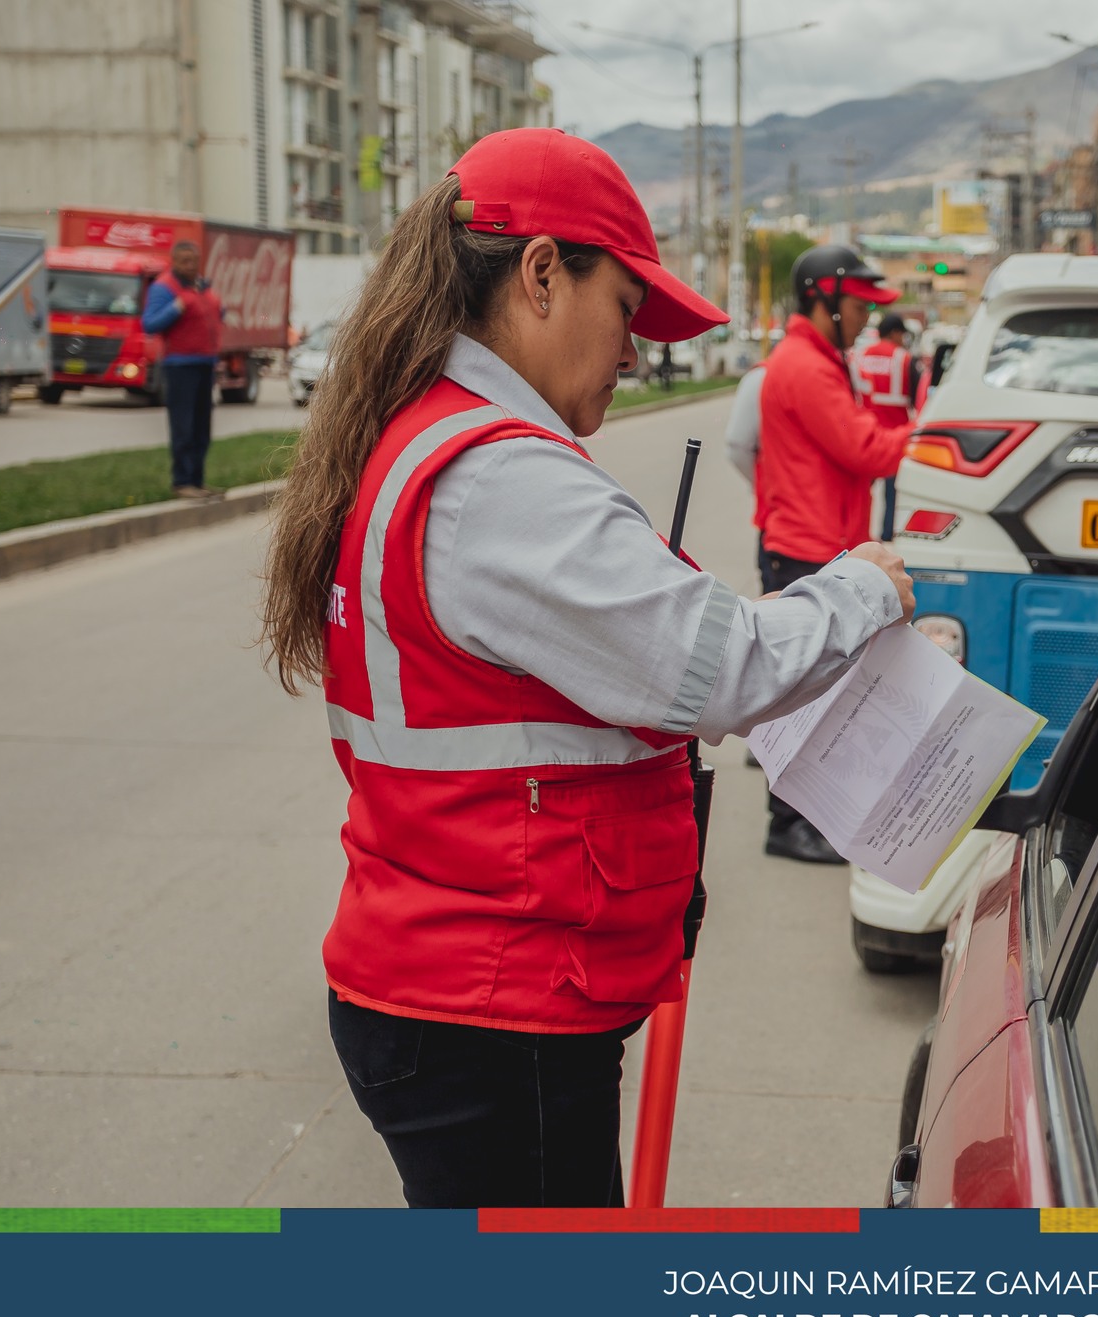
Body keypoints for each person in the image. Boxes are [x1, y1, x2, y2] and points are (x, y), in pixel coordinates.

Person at [259, 129, 915, 1209]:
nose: (632, 354)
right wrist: (863, 589)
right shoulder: (502, 481)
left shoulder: (430, 438)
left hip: (459, 979)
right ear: (541, 274)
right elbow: (723, 669)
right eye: (626, 312)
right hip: (493, 1007)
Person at [752, 244, 909, 863]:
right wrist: (929, 439)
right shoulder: (806, 366)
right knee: (802, 697)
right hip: (808, 545)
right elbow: (863, 449)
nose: (866, 319)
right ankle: (788, 825)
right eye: (857, 305)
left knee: (820, 694)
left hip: (815, 539)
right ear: (824, 299)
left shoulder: (816, 358)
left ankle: (806, 818)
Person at [141, 240, 224, 498]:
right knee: (184, 426)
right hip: (180, 366)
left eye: (193, 261)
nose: (190, 266)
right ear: (174, 261)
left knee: (202, 427)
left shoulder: (201, 287)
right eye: (184, 261)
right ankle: (182, 481)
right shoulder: (164, 288)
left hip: (205, 364)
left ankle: (197, 480)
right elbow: (150, 324)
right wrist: (176, 307)